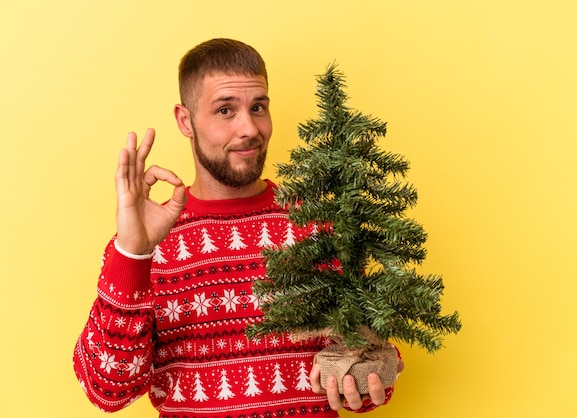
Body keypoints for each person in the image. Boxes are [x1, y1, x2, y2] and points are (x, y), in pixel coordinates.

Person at [73, 38, 403, 417]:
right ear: (186, 120)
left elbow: (355, 361)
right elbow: (107, 392)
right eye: (225, 110)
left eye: (258, 107)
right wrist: (132, 254)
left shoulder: (319, 227)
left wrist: (367, 379)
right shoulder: (148, 243)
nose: (249, 128)